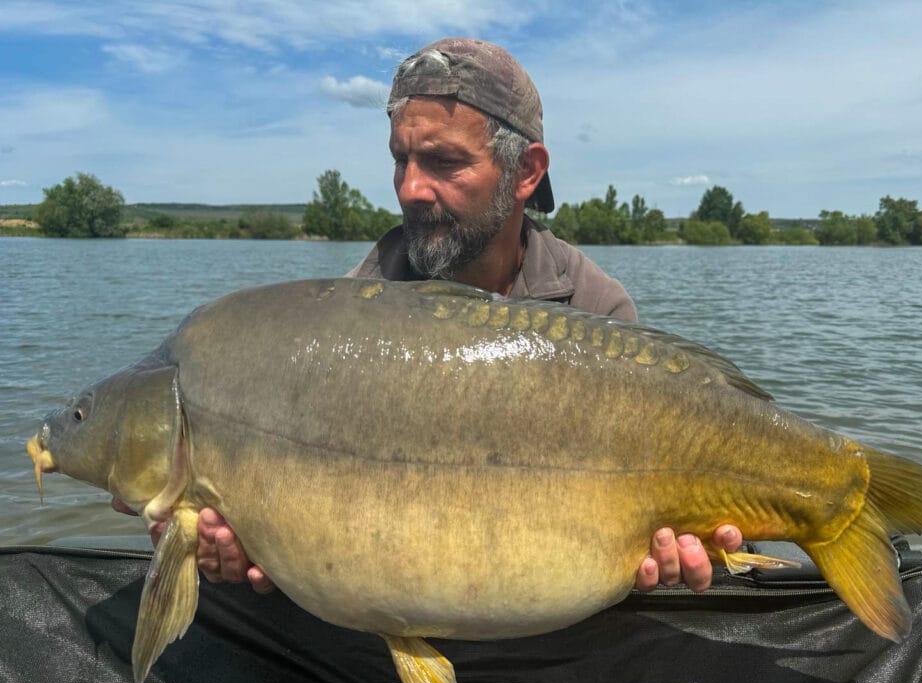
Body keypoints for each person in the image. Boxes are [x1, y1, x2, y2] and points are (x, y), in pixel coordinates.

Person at [115, 37, 742, 596]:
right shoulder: (353, 311)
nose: (411, 188)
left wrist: (673, 561)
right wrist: (258, 545)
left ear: (525, 172)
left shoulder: (596, 307)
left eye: (443, 162)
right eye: (400, 160)